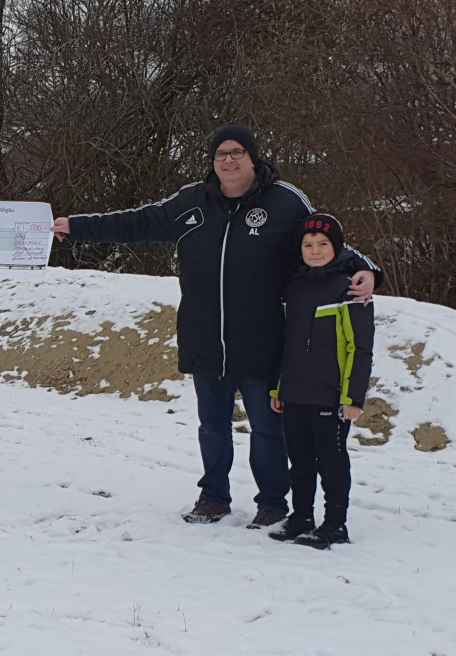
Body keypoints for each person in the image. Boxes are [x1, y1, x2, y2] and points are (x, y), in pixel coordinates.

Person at [50, 124, 379, 526]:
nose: (229, 160)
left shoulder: (285, 203)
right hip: (205, 336)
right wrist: (77, 226)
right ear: (213, 161)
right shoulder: (192, 202)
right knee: (213, 426)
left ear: (253, 158)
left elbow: (325, 240)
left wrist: (367, 270)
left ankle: (273, 502)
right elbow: (138, 222)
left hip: (262, 338)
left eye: (237, 152)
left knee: (266, 429)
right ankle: (214, 497)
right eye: (221, 153)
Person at [268, 213, 373, 548]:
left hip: (332, 395)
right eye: (308, 244)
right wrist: (278, 387)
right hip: (296, 391)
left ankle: (335, 524)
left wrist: (353, 398)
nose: (314, 250)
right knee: (299, 459)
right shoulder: (294, 286)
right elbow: (283, 341)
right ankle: (301, 517)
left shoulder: (352, 287)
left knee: (330, 460)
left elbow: (361, 348)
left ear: (337, 247)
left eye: (323, 244)